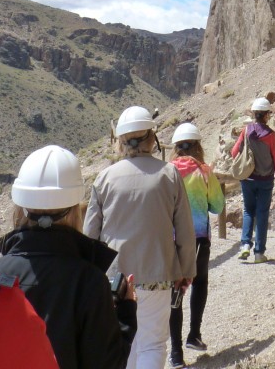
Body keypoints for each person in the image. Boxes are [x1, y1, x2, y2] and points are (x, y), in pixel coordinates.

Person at [0, 144, 137, 369]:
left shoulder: (1, 274)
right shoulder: (90, 281)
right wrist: (126, 314)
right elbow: (106, 364)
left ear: (20, 208)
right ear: (75, 210)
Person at [84, 105, 196, 369]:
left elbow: (90, 236)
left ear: (121, 141)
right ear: (151, 138)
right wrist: (185, 270)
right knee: (153, 344)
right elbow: (185, 231)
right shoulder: (169, 175)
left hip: (115, 280)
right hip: (158, 275)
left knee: (126, 343)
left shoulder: (104, 178)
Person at [168, 122, 225, 368]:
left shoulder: (165, 172)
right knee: (200, 282)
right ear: (198, 146)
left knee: (175, 291)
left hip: (171, 240)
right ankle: (194, 335)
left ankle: (176, 354)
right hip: (199, 238)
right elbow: (218, 206)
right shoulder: (204, 172)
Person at [231, 97, 275, 263]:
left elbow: (234, 152)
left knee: (248, 210)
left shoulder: (246, 131)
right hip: (265, 180)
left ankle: (245, 245)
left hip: (247, 178)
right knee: (262, 213)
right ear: (267, 115)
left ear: (254, 114)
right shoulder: (271, 135)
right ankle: (259, 253)